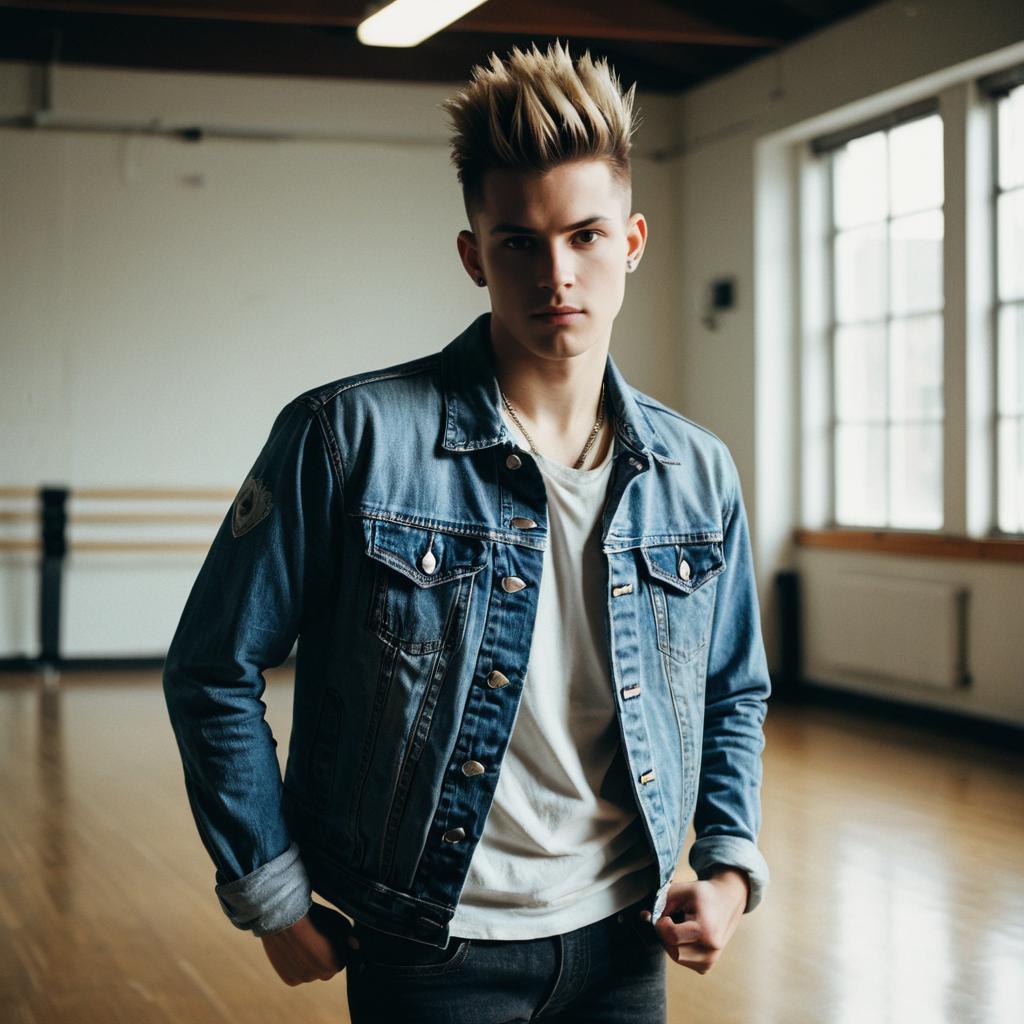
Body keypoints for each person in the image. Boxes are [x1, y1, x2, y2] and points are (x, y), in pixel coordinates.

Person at [163, 40, 771, 1024]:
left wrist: (733, 863)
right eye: (518, 242)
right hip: (432, 943)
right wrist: (269, 892)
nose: (555, 273)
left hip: (624, 937)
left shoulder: (696, 472)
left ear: (632, 241)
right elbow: (212, 666)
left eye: (584, 236)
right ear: (471, 254)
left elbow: (732, 685)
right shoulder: (347, 436)